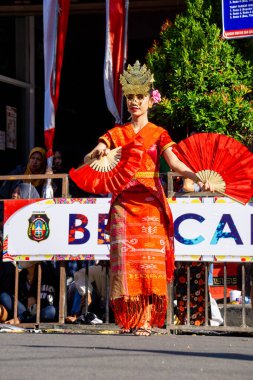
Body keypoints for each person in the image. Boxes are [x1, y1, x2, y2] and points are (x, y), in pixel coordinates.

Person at [81, 61, 213, 336]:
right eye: (130, 97)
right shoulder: (116, 134)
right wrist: (95, 154)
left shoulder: (158, 133)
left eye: (139, 97)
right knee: (126, 264)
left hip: (151, 204)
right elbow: (91, 155)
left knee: (149, 263)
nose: (134, 102)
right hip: (123, 205)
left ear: (149, 101)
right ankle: (130, 318)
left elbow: (175, 164)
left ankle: (146, 319)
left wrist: (196, 175)